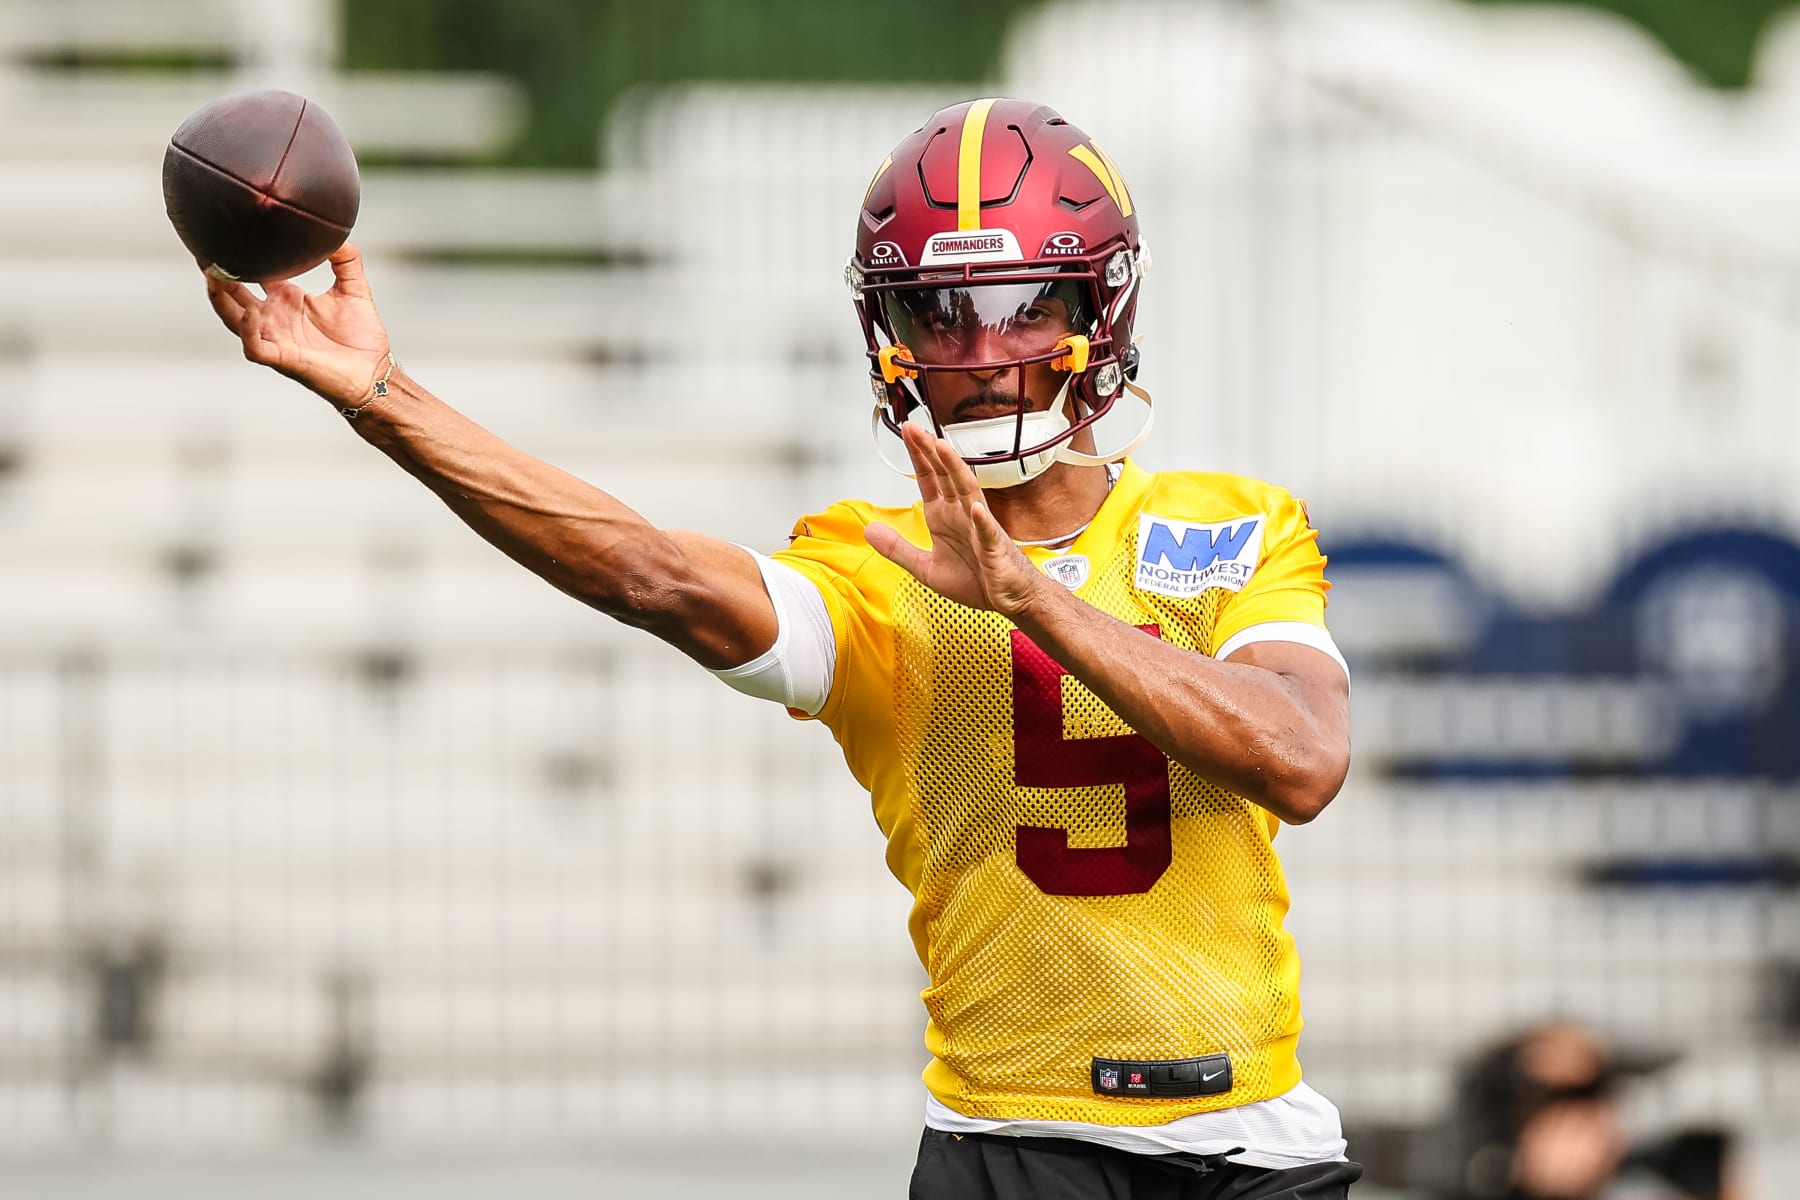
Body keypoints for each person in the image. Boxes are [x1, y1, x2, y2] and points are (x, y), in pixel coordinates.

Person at [201, 97, 1359, 1199]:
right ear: (886, 334)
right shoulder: (872, 565)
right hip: (1013, 1144)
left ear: (1100, 312)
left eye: (1025, 307)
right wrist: (382, 395)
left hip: (1254, 1144)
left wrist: (1032, 601)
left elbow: (1301, 761)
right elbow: (645, 570)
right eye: (938, 315)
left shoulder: (1236, 523)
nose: (984, 352)